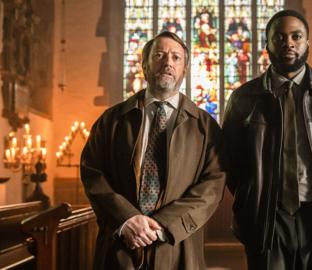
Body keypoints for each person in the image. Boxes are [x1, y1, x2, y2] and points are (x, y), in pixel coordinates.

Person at [223, 10, 312, 270]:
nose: (289, 42)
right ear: (267, 44)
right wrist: (254, 197)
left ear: (307, 42)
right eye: (280, 37)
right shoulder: (243, 99)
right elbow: (231, 163)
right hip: (267, 217)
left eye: (296, 36)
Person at [81, 31, 226, 270]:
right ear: (144, 66)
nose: (168, 62)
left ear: (184, 70)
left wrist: (160, 225)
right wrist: (126, 218)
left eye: (176, 58)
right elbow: (93, 173)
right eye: (159, 55)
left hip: (177, 244)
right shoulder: (113, 120)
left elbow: (213, 185)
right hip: (122, 240)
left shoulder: (205, 127)